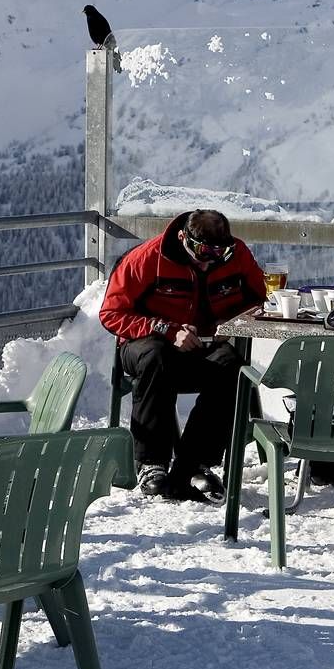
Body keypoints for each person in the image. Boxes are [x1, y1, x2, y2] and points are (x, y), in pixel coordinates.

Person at [101, 209, 266, 500]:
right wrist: (165, 328)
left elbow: (259, 299)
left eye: (219, 252)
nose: (208, 261)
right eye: (202, 251)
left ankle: (194, 465)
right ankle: (152, 464)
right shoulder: (147, 258)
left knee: (232, 368)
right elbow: (111, 314)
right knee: (156, 358)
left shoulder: (237, 255)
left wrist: (237, 322)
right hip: (143, 343)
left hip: (203, 345)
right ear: (182, 238)